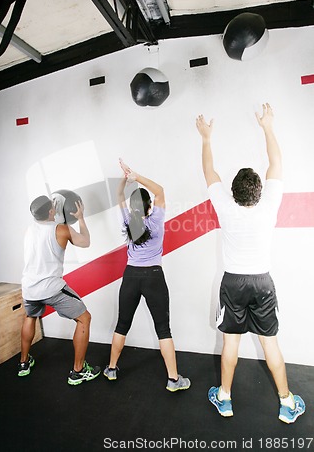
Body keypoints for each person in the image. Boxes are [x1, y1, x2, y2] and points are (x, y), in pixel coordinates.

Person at [196, 103, 305, 424]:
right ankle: (286, 403)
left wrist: (206, 138)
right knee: (270, 343)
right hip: (262, 283)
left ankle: (225, 398)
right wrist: (268, 126)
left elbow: (209, 172)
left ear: (233, 192)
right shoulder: (269, 204)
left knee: (230, 342)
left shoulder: (225, 206)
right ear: (259, 191)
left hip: (233, 283)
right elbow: (276, 163)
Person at [103, 159, 191, 392]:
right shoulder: (157, 220)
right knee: (164, 329)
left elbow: (119, 195)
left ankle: (111, 368)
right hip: (154, 277)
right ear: (150, 205)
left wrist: (124, 180)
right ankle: (173, 380)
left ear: (132, 207)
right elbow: (160, 191)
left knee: (122, 324)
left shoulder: (127, 219)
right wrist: (136, 176)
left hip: (130, 276)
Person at [19, 195, 101, 385]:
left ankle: (23, 363)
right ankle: (78, 372)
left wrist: (54, 211)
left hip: (29, 289)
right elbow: (85, 242)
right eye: (52, 207)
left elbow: (47, 229)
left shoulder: (30, 229)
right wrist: (80, 217)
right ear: (50, 211)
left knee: (30, 317)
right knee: (84, 318)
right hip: (51, 289)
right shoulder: (62, 230)